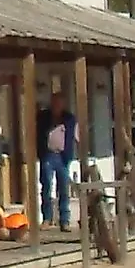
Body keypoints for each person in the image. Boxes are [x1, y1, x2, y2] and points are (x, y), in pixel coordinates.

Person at [37, 89, 77, 232]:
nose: (57, 105)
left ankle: (64, 220)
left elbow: (75, 136)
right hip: (48, 155)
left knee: (64, 189)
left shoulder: (69, 118)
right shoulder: (43, 117)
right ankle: (47, 218)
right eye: (55, 102)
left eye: (60, 103)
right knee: (47, 187)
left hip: (63, 157)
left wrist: (70, 154)